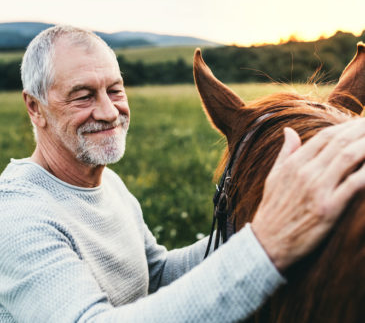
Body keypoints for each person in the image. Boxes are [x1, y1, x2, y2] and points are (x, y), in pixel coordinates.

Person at [1, 25, 365, 323]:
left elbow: (155, 277)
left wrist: (259, 219)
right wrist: (264, 245)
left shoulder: (107, 184)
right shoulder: (17, 216)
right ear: (35, 108)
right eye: (83, 96)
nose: (109, 111)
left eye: (115, 90)